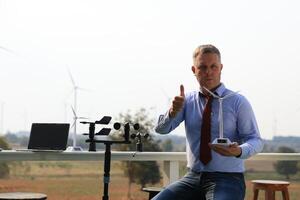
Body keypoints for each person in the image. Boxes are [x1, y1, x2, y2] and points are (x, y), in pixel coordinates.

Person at [154, 44, 264, 200]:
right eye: (202, 67)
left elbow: (256, 140)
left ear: (221, 68)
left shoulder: (238, 101)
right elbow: (161, 130)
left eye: (213, 67)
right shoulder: (186, 101)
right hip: (192, 178)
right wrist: (172, 112)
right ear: (194, 70)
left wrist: (239, 150)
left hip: (228, 179)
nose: (208, 72)